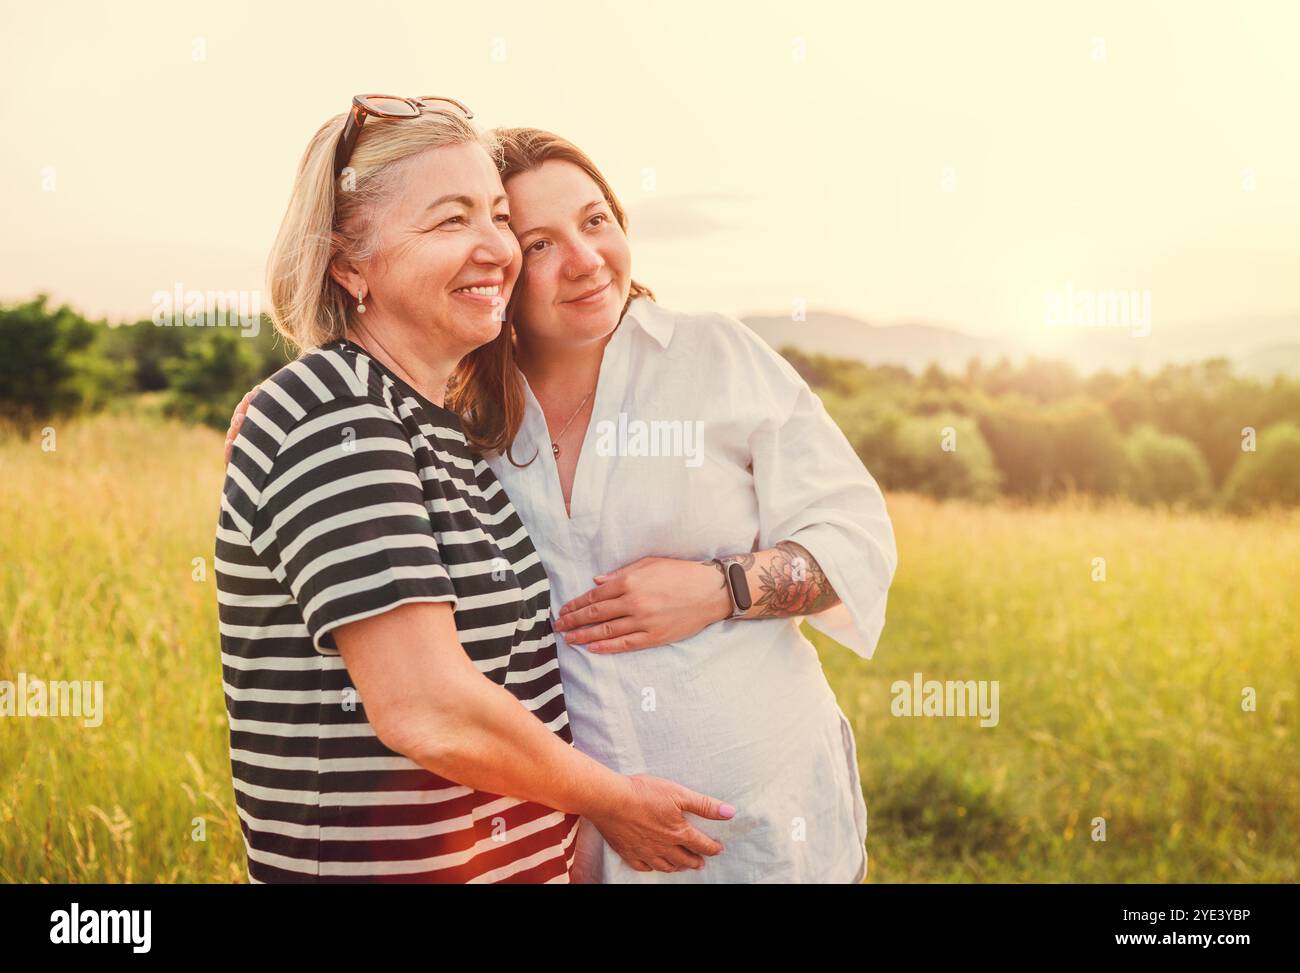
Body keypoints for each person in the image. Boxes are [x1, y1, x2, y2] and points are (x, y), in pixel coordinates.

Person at [217, 97, 733, 883]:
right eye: (451, 220)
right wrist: (615, 800)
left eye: (497, 216)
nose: (495, 247)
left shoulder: (434, 428)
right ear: (347, 263)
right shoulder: (333, 412)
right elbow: (427, 705)